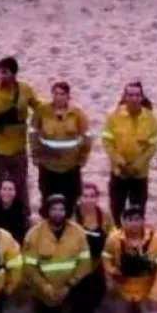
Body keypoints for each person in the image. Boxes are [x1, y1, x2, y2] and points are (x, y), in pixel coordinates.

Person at [22, 195, 97, 313]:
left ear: (67, 211)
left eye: (61, 209)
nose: (58, 213)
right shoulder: (33, 234)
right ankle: (40, 303)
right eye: (53, 209)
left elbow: (85, 263)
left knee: (90, 282)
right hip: (46, 287)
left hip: (72, 284)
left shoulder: (78, 232)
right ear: (47, 211)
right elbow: (29, 267)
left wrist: (69, 285)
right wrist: (45, 286)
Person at [0, 57, 39, 214]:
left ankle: (23, 219)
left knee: (20, 186)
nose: (1, 75)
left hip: (18, 148)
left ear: (14, 74)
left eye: (5, 72)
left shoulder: (25, 89)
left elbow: (39, 107)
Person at [101, 205, 157, 313]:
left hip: (145, 289)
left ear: (143, 220)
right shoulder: (113, 239)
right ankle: (120, 306)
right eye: (129, 219)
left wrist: (156, 294)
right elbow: (105, 257)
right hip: (122, 288)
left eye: (137, 219)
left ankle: (143, 308)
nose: (134, 223)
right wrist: (112, 271)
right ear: (123, 221)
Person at [29, 81, 92, 215]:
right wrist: (35, 154)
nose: (58, 97)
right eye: (55, 94)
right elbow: (33, 132)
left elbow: (87, 136)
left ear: (68, 96)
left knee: (71, 201)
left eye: (62, 94)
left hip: (70, 166)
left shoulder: (77, 114)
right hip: (48, 166)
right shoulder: (42, 111)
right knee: (47, 200)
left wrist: (83, 157)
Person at [102, 81, 157, 224]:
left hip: (139, 174)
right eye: (131, 95)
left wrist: (139, 164)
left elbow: (152, 145)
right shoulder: (113, 116)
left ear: (142, 97)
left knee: (138, 209)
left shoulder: (150, 118)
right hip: (118, 172)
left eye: (137, 95)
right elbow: (107, 141)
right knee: (117, 208)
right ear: (125, 97)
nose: (134, 98)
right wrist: (119, 161)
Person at [74, 181, 115, 313]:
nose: (89, 200)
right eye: (85, 196)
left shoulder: (105, 215)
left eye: (92, 196)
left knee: (99, 290)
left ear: (97, 198)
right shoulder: (73, 216)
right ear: (80, 198)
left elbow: (112, 238)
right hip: (77, 261)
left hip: (97, 261)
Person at [0, 179, 29, 244]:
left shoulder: (22, 210)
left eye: (10, 189)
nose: (7, 192)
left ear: (15, 192)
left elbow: (22, 234)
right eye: (4, 189)